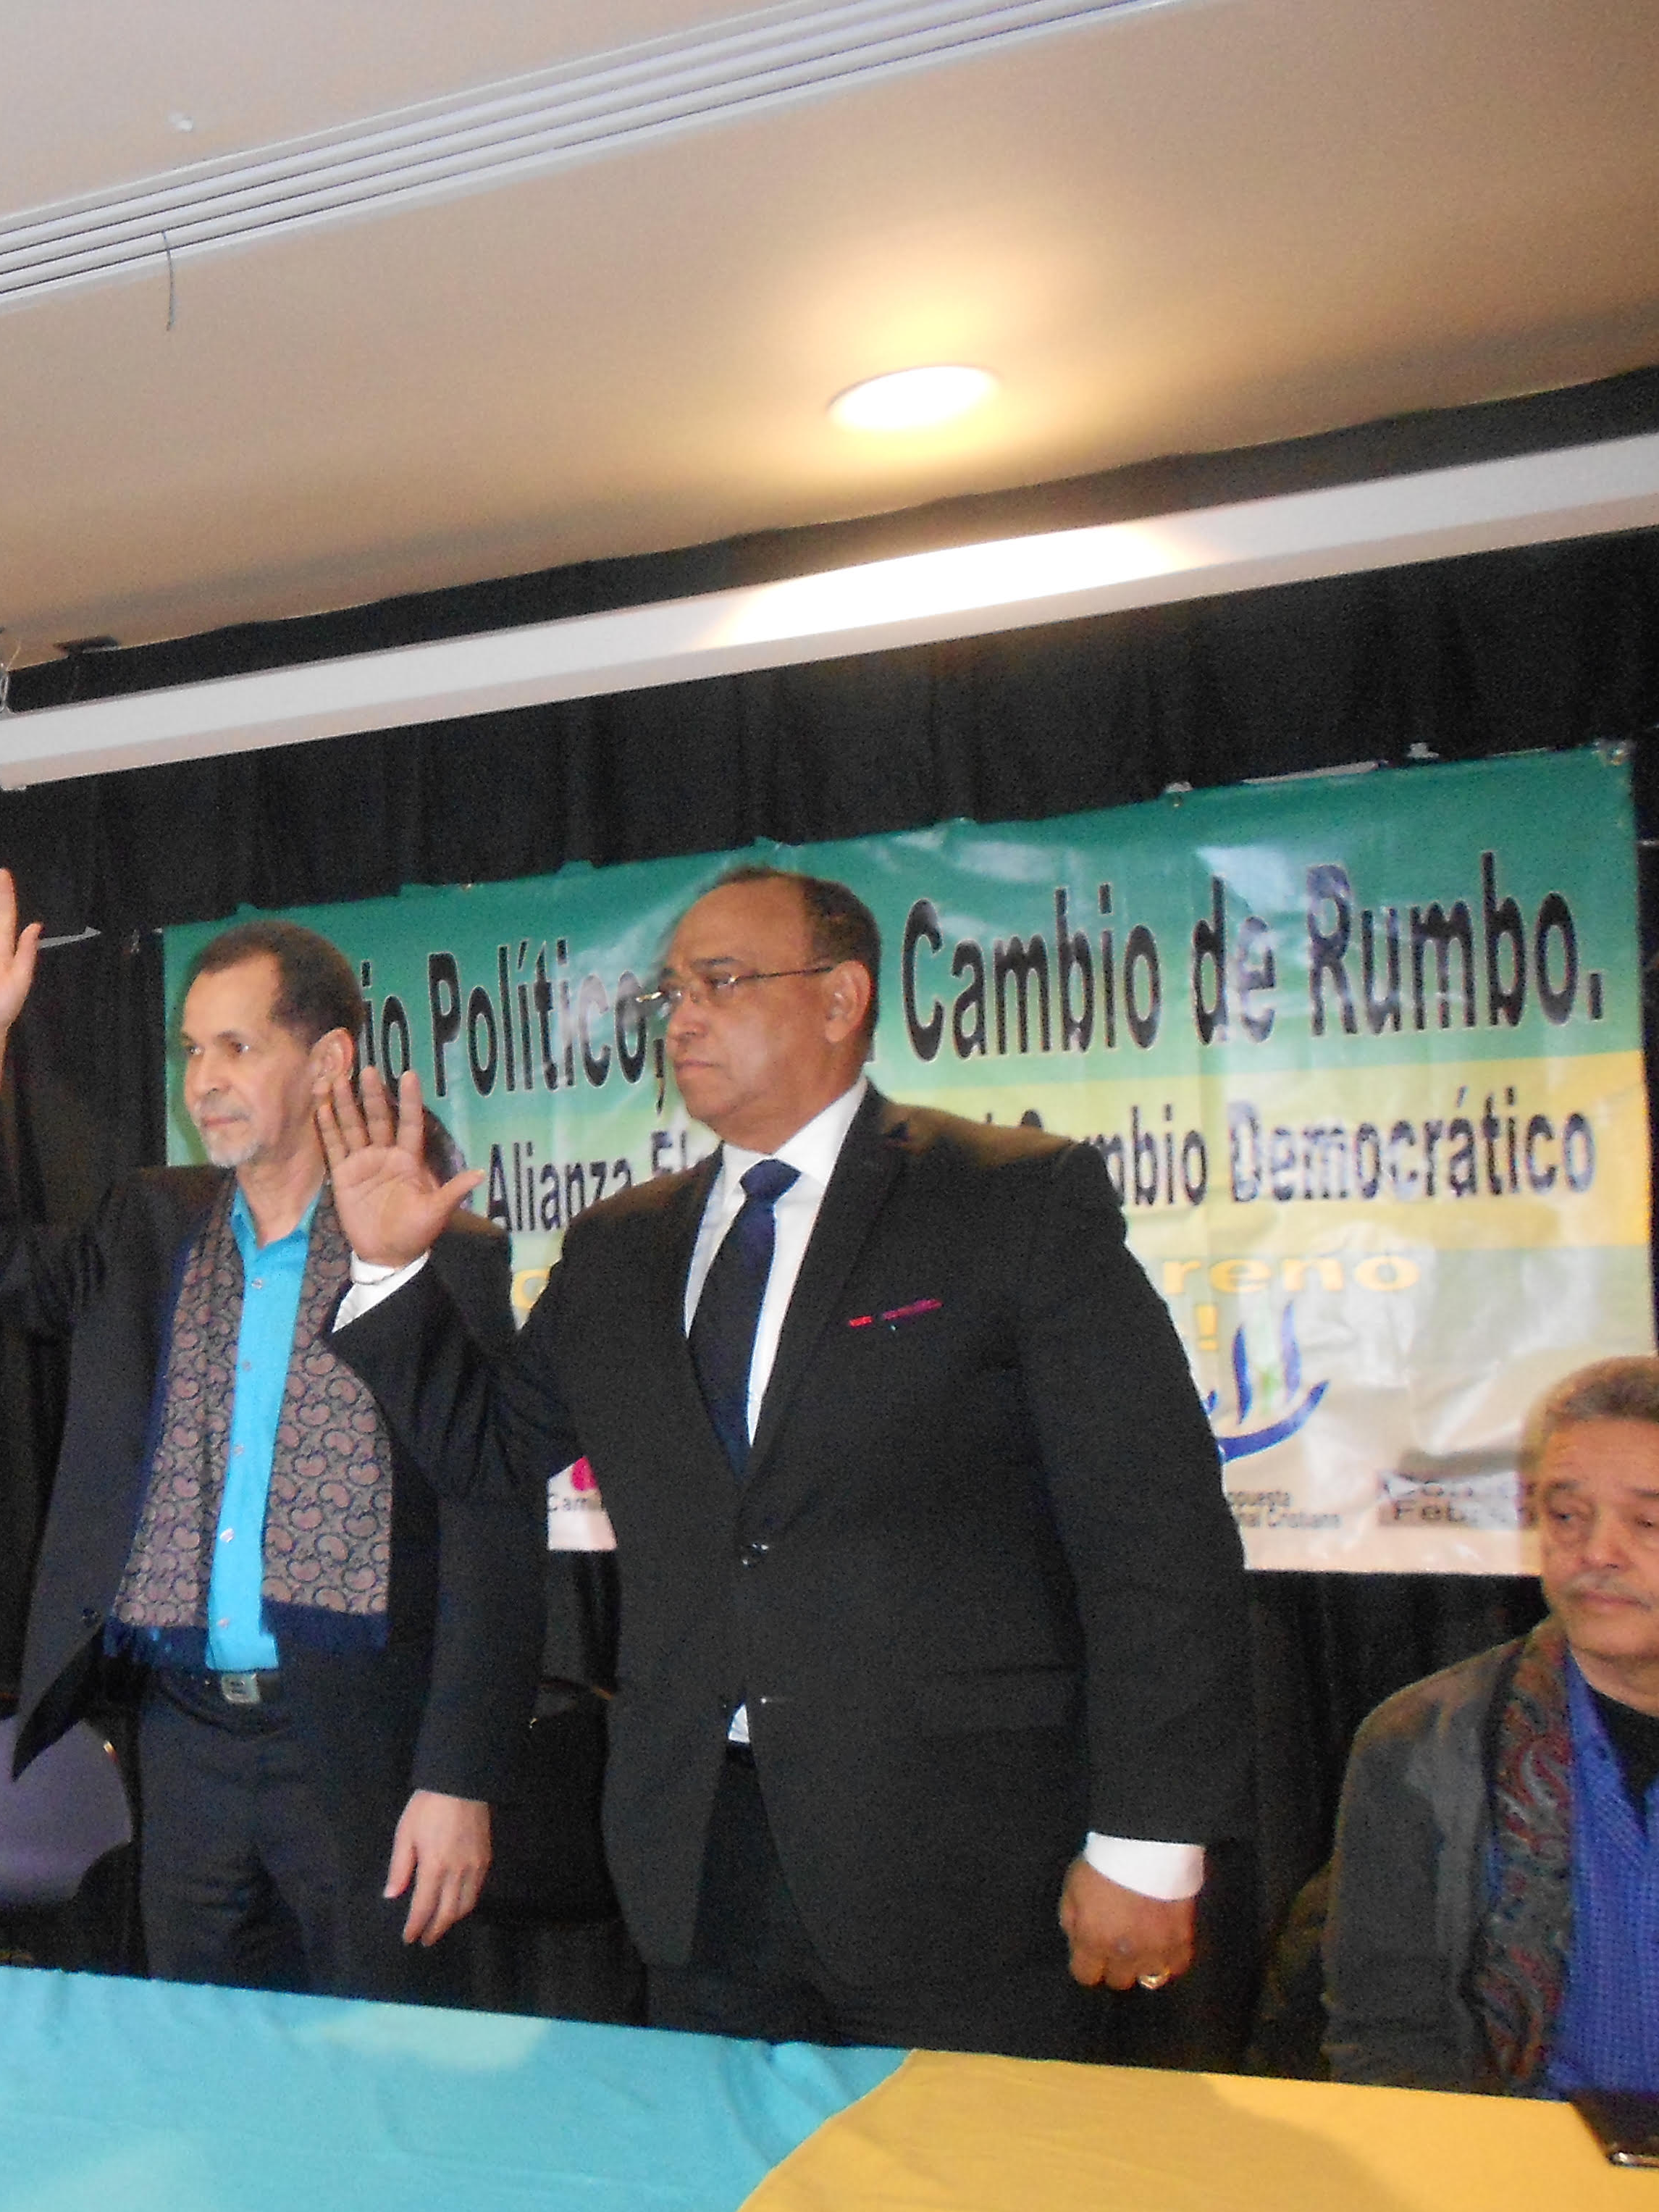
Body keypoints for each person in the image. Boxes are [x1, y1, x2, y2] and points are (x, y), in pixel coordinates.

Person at [318, 865, 1251, 2058]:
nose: (684, 1020)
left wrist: (1150, 1843)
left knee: (958, 2177)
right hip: (699, 1856)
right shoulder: (620, 1247)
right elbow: (487, 1453)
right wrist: (392, 1269)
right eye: (672, 993)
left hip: (956, 1861)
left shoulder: (1008, 1202)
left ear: (841, 998)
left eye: (722, 982)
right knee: (727, 2178)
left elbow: (1155, 1535)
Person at [0, 864, 542, 2001]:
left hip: (358, 1741)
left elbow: (491, 1525)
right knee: (200, 2059)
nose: (203, 1081)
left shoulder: (441, 1255)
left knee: (378, 2061)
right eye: (192, 1051)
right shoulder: (152, 1227)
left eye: (237, 1048)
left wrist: (459, 1777)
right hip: (187, 1733)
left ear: (330, 1060)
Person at [1325, 1357, 1659, 2092]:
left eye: (1647, 1523)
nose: (1597, 1553)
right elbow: (1387, 2038)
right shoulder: (1424, 1743)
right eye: (1566, 1516)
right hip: (1519, 2145)